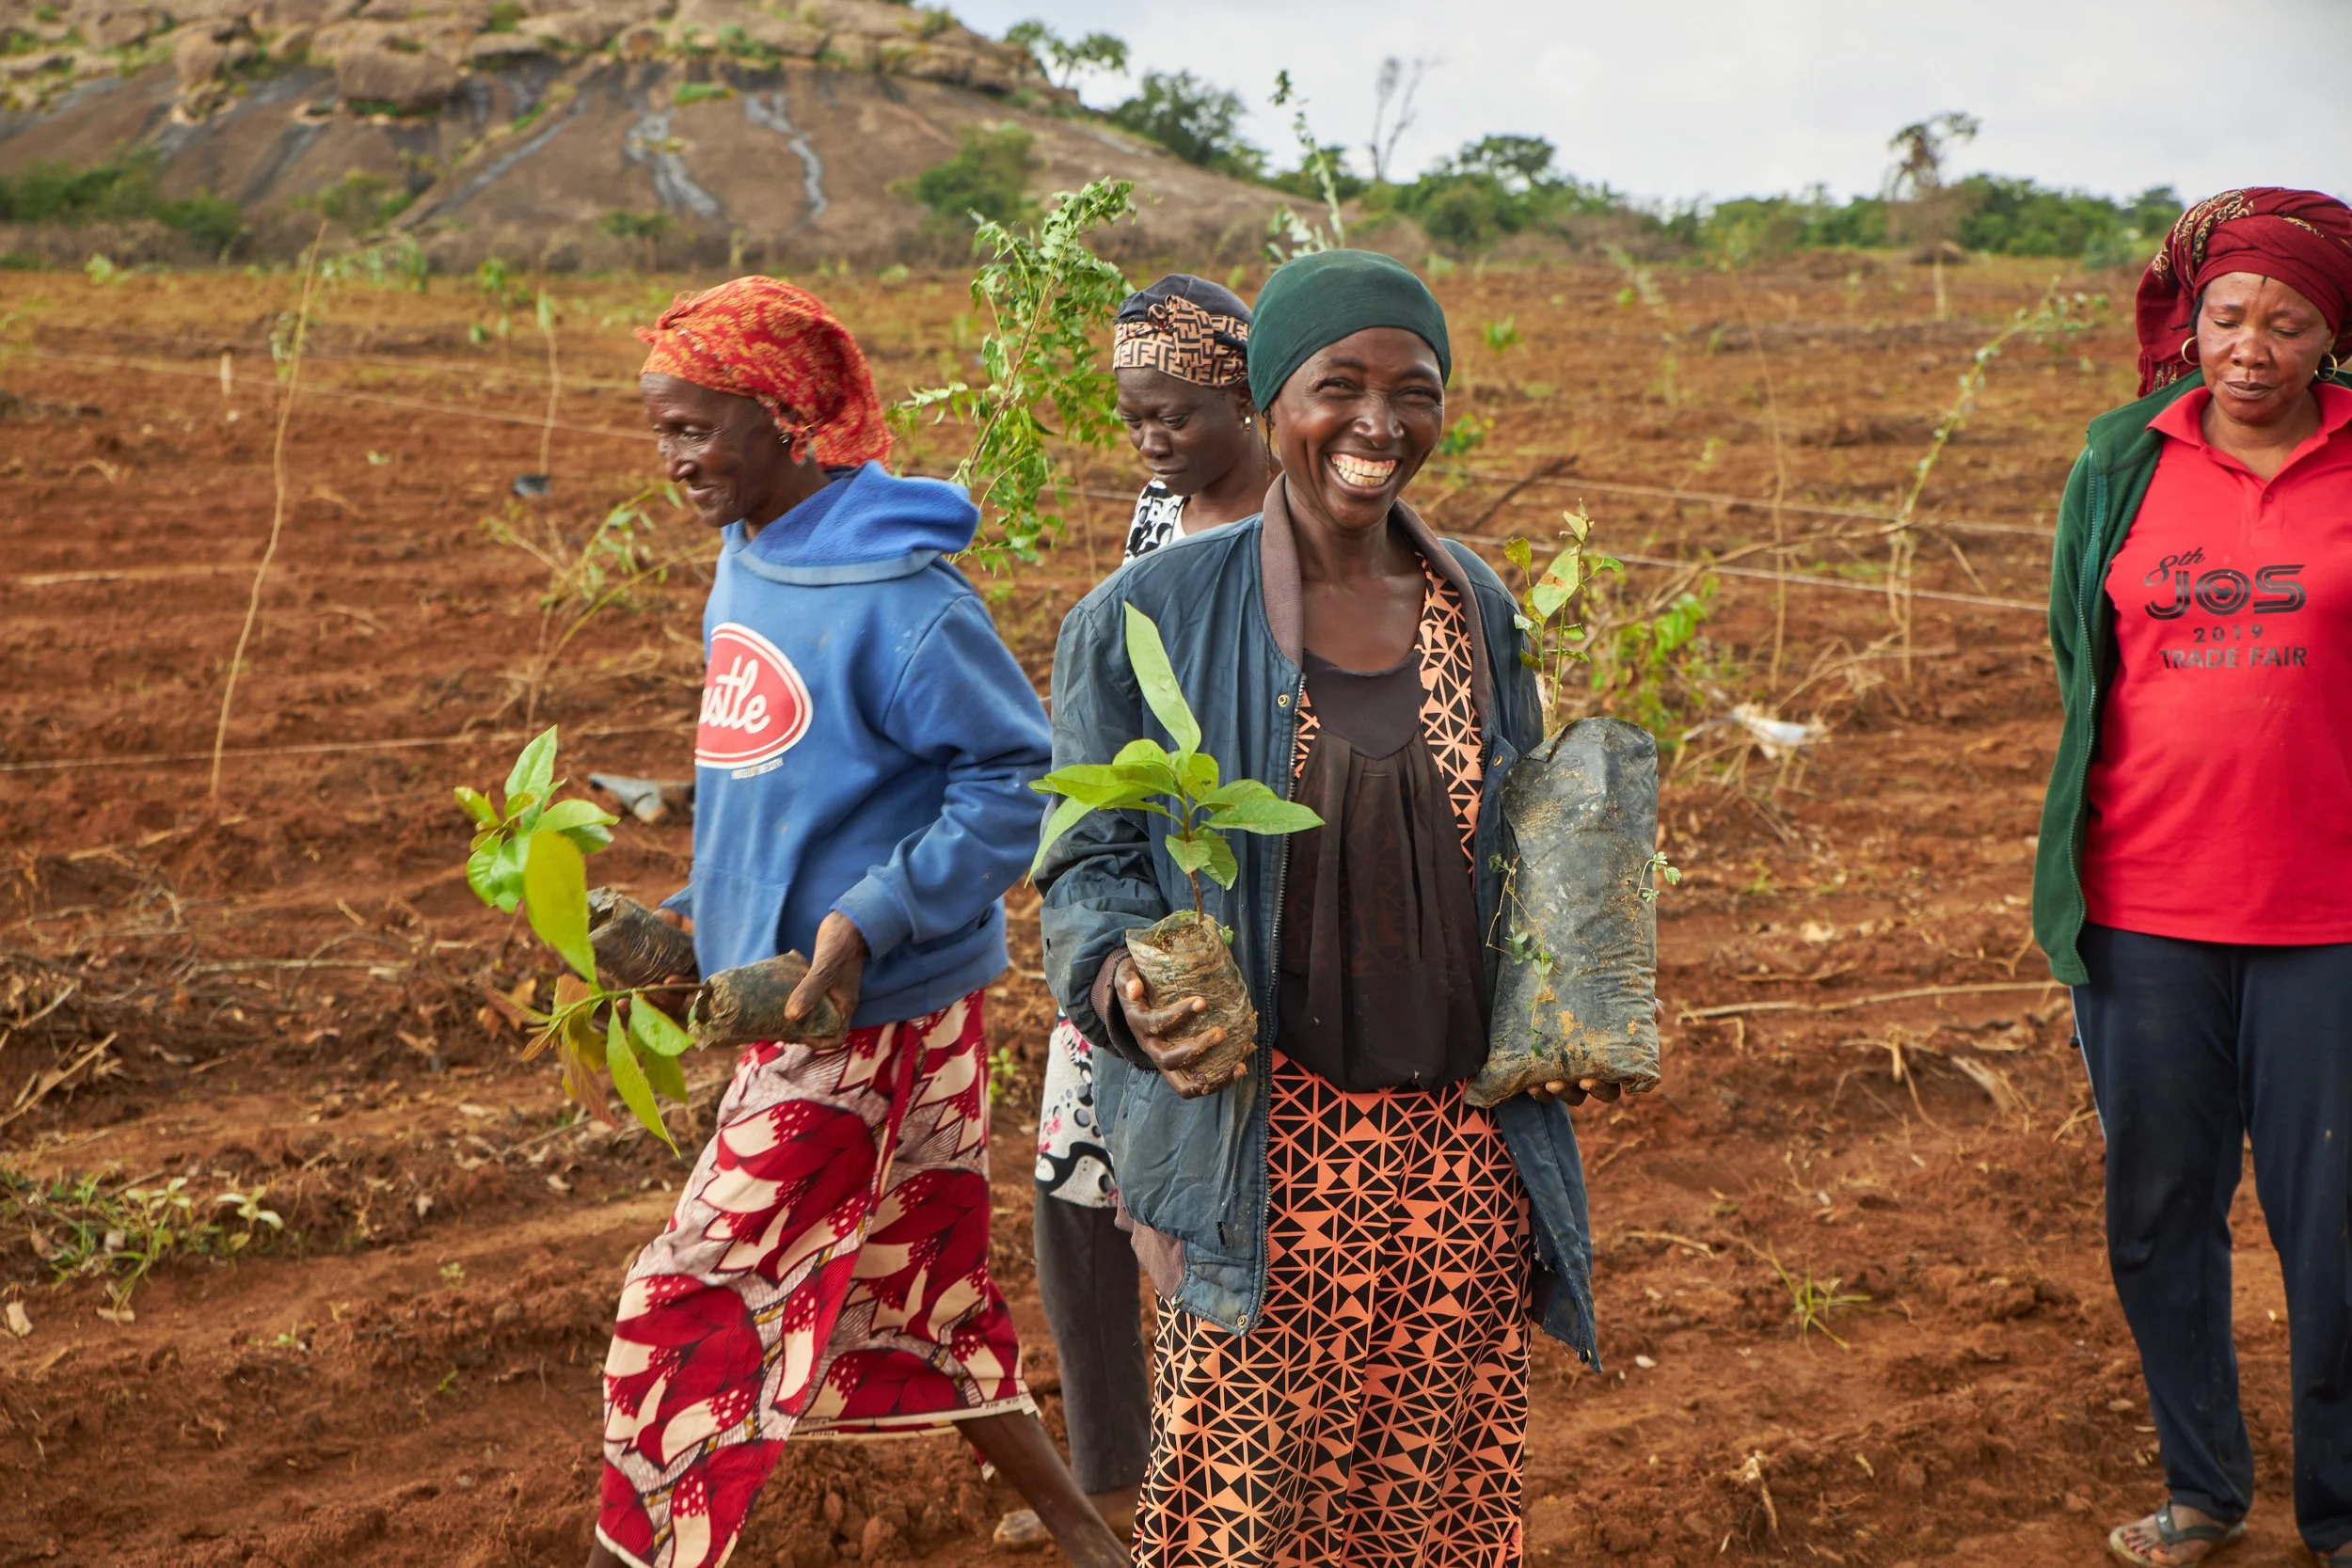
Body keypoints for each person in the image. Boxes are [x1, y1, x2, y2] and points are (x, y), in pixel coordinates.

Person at [1037, 247, 1609, 1567]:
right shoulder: (1147, 614)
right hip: (1257, 1158)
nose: (1377, 423)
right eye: (1337, 385)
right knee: (1244, 1517)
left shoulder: (1478, 606)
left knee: (1436, 1513)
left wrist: (1578, 954)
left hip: (1458, 1162)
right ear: (1272, 398)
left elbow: (1512, 851)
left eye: (1414, 390)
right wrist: (1128, 984)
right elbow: (1087, 869)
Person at [586, 277, 1124, 1568]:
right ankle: (1093, 1541)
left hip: (873, 1019)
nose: (672, 462)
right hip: (813, 1002)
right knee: (920, 1297)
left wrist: (868, 924)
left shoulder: (906, 599)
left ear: (780, 418)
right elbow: (780, 794)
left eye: (692, 430)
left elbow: (1012, 778)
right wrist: (686, 919)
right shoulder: (749, 561)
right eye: (659, 431)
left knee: (684, 1301)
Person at [2030, 188, 2352, 1568]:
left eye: (2286, 321)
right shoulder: (2123, 458)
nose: (2251, 347)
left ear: (2332, 332)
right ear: (2192, 323)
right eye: (2227, 316)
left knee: (2332, 1224)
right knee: (2159, 1208)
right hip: (2145, 910)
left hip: (2330, 921)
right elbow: (2074, 649)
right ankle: (2205, 1486)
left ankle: (2340, 1512)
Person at [1026, 274, 1277, 1542]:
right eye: (1134, 417)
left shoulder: (1296, 534)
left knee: (1192, 1216)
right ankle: (1109, 1475)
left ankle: (1193, 1480)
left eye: (1173, 412)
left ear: (1245, 396)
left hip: (1227, 927)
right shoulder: (1153, 520)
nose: (1152, 438)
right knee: (1075, 1200)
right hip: (1137, 930)